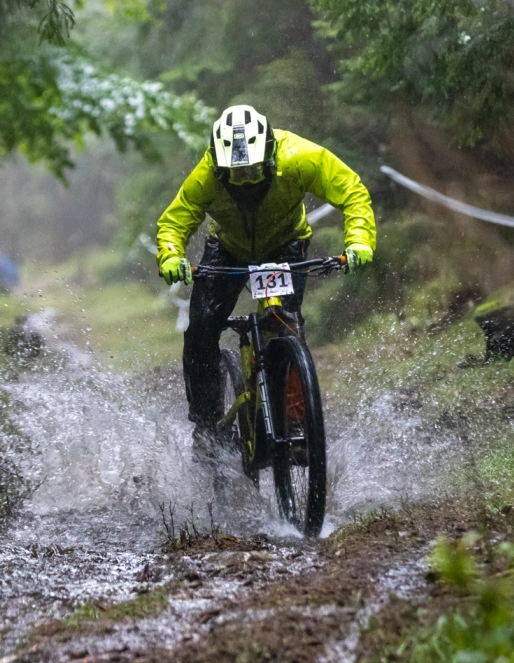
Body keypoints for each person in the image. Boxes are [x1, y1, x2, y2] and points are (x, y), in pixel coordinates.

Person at [154, 104, 376, 453]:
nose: (246, 184)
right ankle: (205, 427)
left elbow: (352, 191)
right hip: (227, 248)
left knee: (283, 324)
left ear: (271, 154)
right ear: (218, 165)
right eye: (235, 175)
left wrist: (359, 240)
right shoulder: (206, 176)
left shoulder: (301, 157)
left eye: (254, 171)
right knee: (201, 329)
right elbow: (173, 223)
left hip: (285, 244)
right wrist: (171, 255)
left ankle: (296, 419)